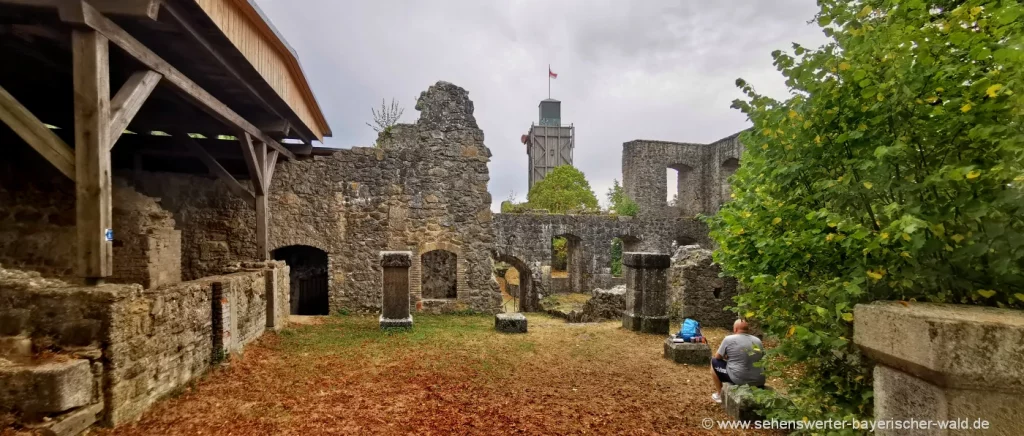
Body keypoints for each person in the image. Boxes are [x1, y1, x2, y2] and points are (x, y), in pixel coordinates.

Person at [710, 319, 765, 403]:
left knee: (713, 362)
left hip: (740, 379)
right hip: (759, 380)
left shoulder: (729, 339)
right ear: (748, 330)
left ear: (735, 329)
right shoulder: (758, 341)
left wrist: (726, 356)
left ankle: (720, 394)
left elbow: (717, 357)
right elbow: (760, 357)